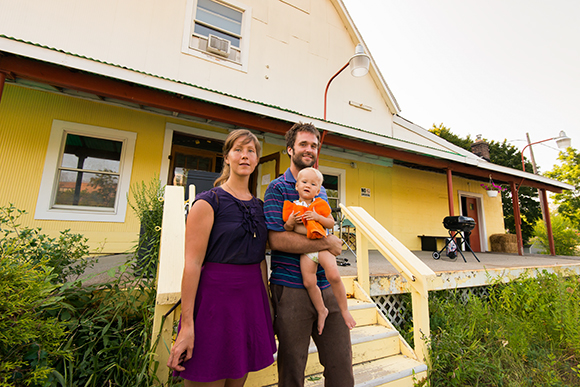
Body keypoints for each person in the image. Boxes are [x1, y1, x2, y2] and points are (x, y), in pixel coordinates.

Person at [167, 129, 276, 387]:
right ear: (226, 157)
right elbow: (192, 265)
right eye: (238, 149)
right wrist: (187, 326)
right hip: (214, 304)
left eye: (251, 151)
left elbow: (260, 259)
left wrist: (267, 306)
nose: (245, 156)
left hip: (250, 303)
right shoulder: (207, 203)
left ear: (257, 159)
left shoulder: (260, 207)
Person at [264, 122, 354, 387]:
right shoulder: (277, 188)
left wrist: (326, 238)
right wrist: (327, 244)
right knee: (292, 368)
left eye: (314, 145)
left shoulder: (321, 188)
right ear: (290, 148)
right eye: (303, 144)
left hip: (326, 285)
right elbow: (277, 239)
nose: (309, 149)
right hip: (290, 287)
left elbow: (326, 224)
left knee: (341, 365)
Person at [282, 167, 356, 335]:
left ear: (318, 189)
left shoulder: (319, 205)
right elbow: (287, 228)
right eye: (304, 182)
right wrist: (291, 222)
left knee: (334, 276)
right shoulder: (291, 208)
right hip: (306, 251)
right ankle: (321, 309)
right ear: (296, 186)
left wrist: (317, 218)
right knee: (309, 282)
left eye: (313, 183)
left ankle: (344, 310)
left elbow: (331, 224)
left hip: (322, 247)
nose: (308, 185)